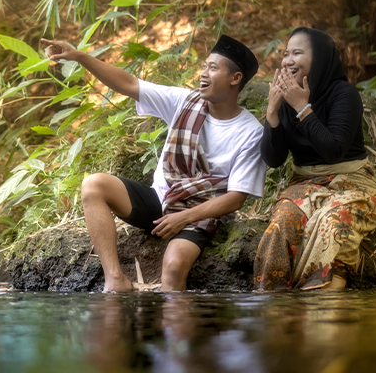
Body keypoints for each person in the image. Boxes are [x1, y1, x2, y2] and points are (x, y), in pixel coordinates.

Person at [41, 35, 267, 292]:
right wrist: (80, 57)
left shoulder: (251, 132)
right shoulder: (185, 102)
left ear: (235, 78)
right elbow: (128, 83)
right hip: (159, 200)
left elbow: (236, 198)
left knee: (173, 265)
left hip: (200, 215)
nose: (203, 73)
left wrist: (184, 218)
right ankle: (115, 279)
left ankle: (174, 329)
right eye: (204, 66)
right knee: (93, 185)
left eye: (213, 68)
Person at [253, 27, 376, 291]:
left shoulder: (344, 94)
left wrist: (303, 108)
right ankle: (274, 307)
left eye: (297, 53)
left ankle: (322, 307)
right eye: (285, 54)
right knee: (282, 223)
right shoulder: (285, 97)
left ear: (321, 58)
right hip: (304, 183)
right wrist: (272, 112)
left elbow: (334, 150)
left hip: (352, 183)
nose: (288, 60)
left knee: (330, 223)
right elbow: (274, 159)